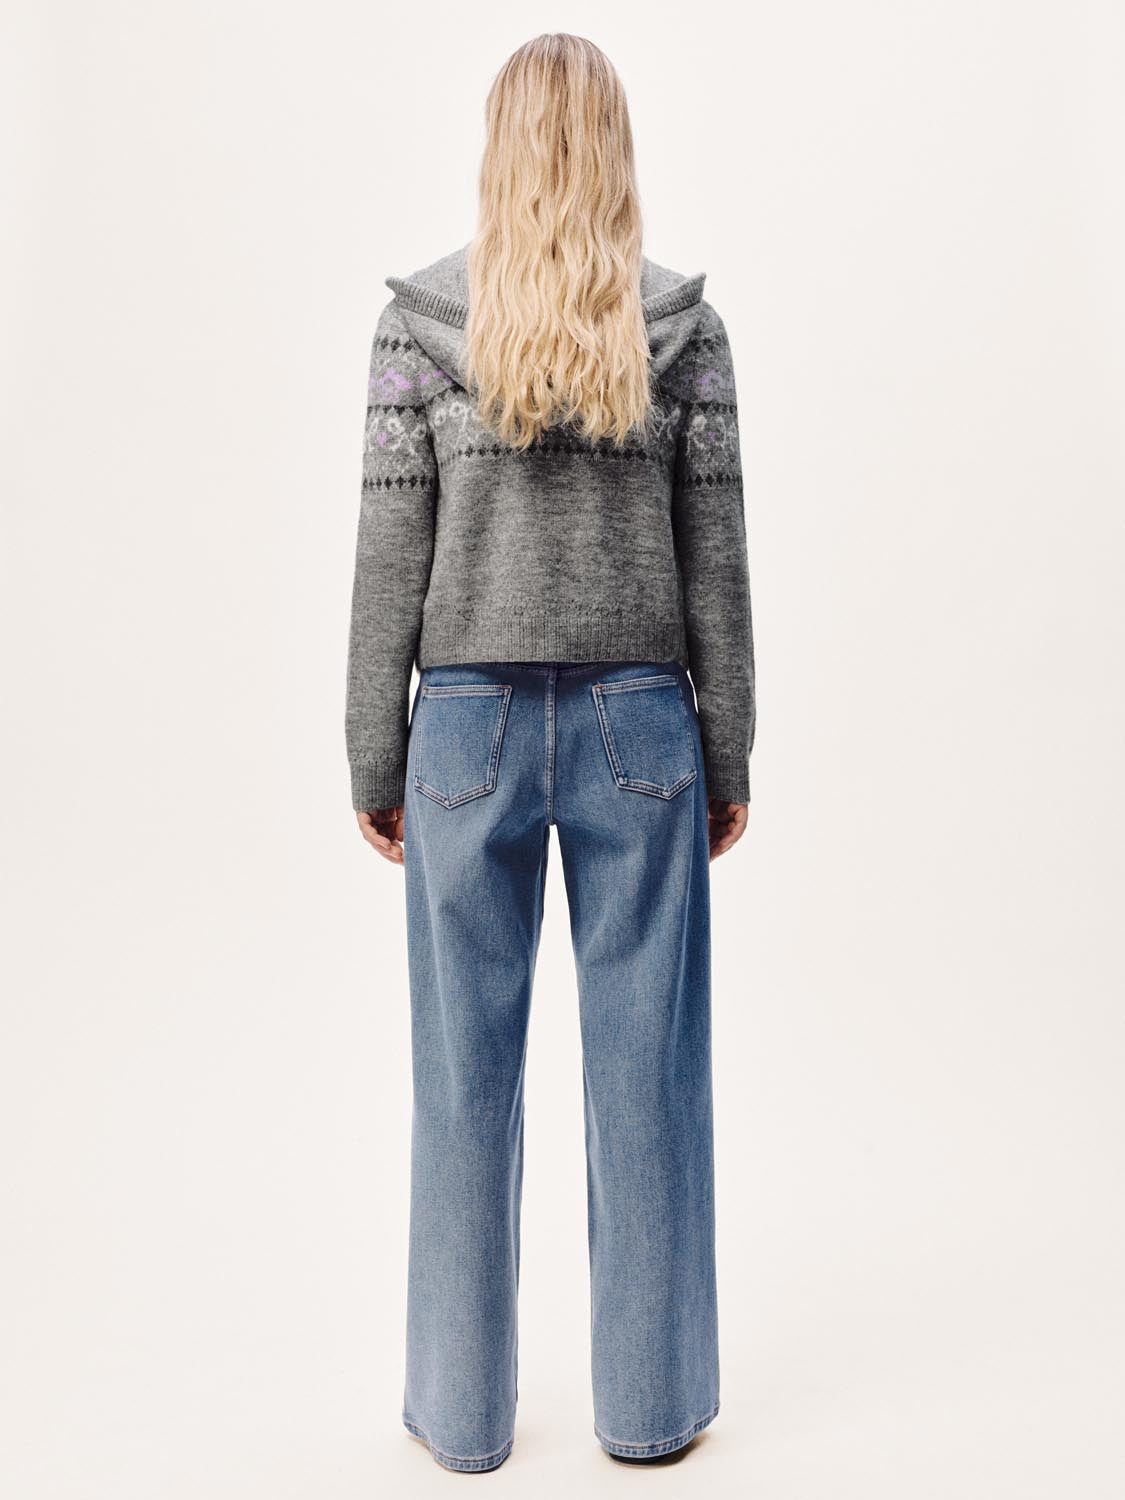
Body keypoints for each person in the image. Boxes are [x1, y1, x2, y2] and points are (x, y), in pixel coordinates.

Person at [345, 32, 755, 1474]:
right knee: (648, 1080)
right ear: (614, 148)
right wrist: (728, 749)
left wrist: (371, 754)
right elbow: (716, 560)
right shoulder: (683, 331)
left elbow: (389, 555)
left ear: (497, 148)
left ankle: (462, 1417)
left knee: (461, 1083)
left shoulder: (418, 328)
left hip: (461, 728)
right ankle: (648, 1412)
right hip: (642, 721)